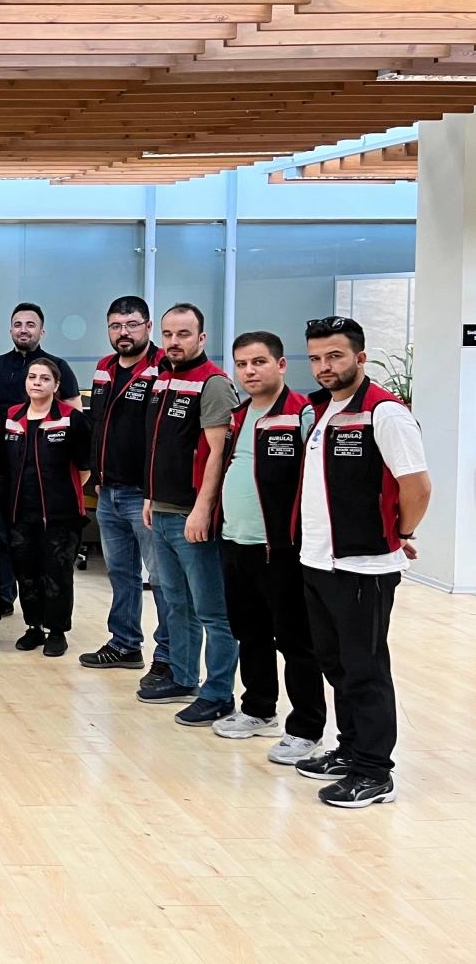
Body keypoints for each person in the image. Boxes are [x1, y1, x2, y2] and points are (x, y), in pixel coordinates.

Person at [292, 316, 429, 809]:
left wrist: (400, 533)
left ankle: (374, 772)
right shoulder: (322, 409)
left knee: (364, 668)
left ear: (360, 357)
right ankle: (350, 750)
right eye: (316, 358)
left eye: (335, 356)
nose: (324, 367)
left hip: (364, 565)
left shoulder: (385, 414)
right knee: (336, 663)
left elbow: (417, 486)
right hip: (318, 560)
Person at [214, 332, 324, 766]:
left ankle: (306, 728)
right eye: (242, 364)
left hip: (281, 549)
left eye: (258, 362)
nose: (249, 371)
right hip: (235, 542)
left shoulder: (303, 414)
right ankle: (259, 709)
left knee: (296, 641)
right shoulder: (238, 415)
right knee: (250, 632)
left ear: (280, 365)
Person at [139, 303, 239, 727]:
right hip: (161, 510)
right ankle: (182, 677)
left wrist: (203, 509)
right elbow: (159, 445)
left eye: (183, 334)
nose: (174, 342)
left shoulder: (213, 383)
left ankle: (218, 694)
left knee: (212, 611)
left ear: (201, 337)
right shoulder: (163, 377)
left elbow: (219, 453)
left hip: (192, 517)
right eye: (168, 334)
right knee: (176, 602)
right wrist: (150, 496)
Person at [80, 296, 173, 687]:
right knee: (121, 574)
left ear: (148, 327)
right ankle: (124, 644)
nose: (124, 332)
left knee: (163, 579)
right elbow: (97, 425)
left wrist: (155, 488)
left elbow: (165, 434)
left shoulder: (163, 368)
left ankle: (168, 656)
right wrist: (95, 474)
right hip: (109, 491)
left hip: (146, 495)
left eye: (132, 324)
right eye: (116, 326)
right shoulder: (103, 368)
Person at [0, 303, 81, 616]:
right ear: (10, 329)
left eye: (30, 324)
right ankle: (3, 597)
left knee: (47, 550)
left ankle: (51, 617)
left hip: (45, 473)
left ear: (42, 331)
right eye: (18, 324)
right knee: (4, 538)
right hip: (2, 466)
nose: (23, 330)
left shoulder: (58, 366)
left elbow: (75, 417)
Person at [1, 358, 91, 658]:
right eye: (32, 377)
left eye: (44, 378)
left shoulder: (71, 419)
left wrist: (61, 493)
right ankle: (34, 627)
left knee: (57, 575)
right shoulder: (11, 417)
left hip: (60, 516)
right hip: (19, 513)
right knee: (25, 574)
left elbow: (84, 468)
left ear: (56, 385)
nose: (37, 383)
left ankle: (57, 631)